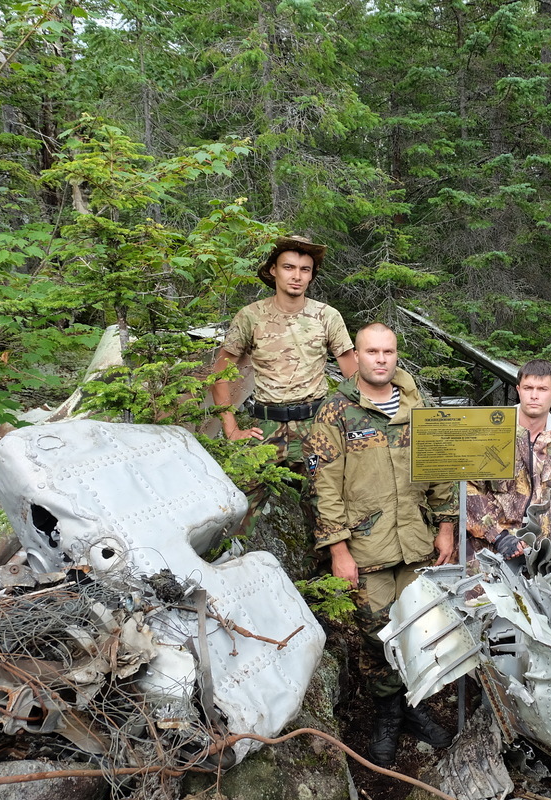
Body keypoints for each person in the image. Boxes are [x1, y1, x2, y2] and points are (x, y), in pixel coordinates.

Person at [305, 322, 457, 766]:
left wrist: (445, 525)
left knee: (417, 628)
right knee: (377, 637)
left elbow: (440, 466)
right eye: (372, 351)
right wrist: (337, 549)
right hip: (366, 548)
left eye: (388, 352)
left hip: (415, 540)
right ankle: (388, 714)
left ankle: (415, 706)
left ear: (396, 355)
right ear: (357, 354)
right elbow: (323, 485)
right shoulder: (336, 411)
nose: (381, 359)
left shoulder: (417, 405)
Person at [209, 234, 358, 464]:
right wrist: (232, 430)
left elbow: (353, 376)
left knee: (324, 498)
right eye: (288, 267)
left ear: (311, 275)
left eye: (305, 269)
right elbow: (219, 375)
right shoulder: (250, 316)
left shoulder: (327, 316)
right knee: (242, 496)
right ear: (273, 270)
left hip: (316, 427)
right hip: (265, 428)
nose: (297, 276)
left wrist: (349, 423)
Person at [466, 359, 551, 554]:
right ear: (518, 389)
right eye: (528, 388)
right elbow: (469, 490)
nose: (534, 396)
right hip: (488, 550)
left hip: (541, 554)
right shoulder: (491, 434)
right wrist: (499, 536)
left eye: (542, 389)